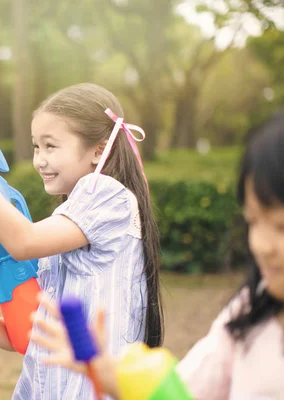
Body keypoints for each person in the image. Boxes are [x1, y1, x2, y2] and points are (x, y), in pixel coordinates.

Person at [0, 83, 164, 399]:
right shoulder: (68, 219)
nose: (39, 160)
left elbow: (23, 241)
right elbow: (37, 336)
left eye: (51, 146)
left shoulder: (107, 195)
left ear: (99, 150)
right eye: (36, 146)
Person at [31, 110, 284, 399]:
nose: (262, 245)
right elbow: (184, 393)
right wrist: (107, 376)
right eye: (253, 221)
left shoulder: (107, 197)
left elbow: (22, 241)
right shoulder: (249, 314)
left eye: (280, 226)